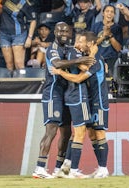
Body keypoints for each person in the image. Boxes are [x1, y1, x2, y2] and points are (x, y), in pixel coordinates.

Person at [32, 22, 95, 179]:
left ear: (70, 32)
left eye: (66, 31)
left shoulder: (68, 49)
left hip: (65, 94)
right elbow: (57, 64)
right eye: (60, 30)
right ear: (55, 32)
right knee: (51, 130)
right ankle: (39, 168)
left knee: (66, 133)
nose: (63, 33)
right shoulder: (51, 49)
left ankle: (59, 169)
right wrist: (79, 62)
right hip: (52, 93)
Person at [50, 31, 109, 179]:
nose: (79, 45)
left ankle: (103, 168)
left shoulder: (97, 61)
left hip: (99, 101)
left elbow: (79, 77)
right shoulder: (88, 57)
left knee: (99, 132)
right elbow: (83, 66)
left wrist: (59, 72)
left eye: (81, 42)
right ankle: (69, 166)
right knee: (89, 133)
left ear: (89, 44)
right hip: (89, 100)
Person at [0, 0, 37, 71]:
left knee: (19, 64)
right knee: (9, 64)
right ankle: (11, 81)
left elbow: (33, 21)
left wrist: (29, 37)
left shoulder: (25, 3)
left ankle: (23, 82)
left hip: (19, 35)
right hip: (4, 34)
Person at [91, 4, 123, 76]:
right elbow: (92, 44)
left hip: (112, 60)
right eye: (107, 11)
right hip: (98, 59)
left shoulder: (117, 28)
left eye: (112, 12)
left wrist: (110, 35)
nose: (109, 13)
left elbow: (118, 49)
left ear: (114, 14)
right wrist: (103, 36)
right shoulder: (96, 26)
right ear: (103, 13)